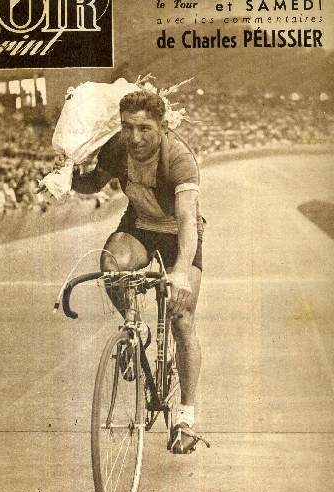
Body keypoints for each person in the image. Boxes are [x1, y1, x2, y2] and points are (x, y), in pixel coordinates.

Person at [56, 90, 205, 454]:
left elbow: (187, 219)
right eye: (127, 128)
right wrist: (68, 172)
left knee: (182, 318)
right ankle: (135, 327)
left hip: (178, 236)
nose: (135, 138)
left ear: (162, 126)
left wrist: (181, 272)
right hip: (139, 227)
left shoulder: (179, 158)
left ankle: (186, 414)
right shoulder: (118, 149)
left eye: (144, 129)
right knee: (111, 265)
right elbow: (92, 184)